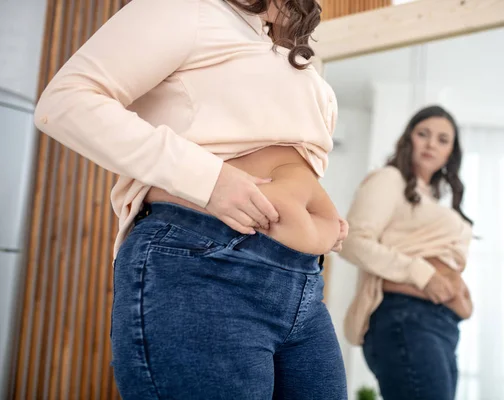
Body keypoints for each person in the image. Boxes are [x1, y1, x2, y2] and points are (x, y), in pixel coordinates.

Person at [33, 0, 349, 398]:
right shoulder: (188, 8)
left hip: (301, 282)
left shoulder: (285, 52)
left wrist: (318, 217)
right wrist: (208, 180)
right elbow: (65, 101)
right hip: (204, 263)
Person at [340, 105, 474, 400]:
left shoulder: (431, 197)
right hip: (405, 318)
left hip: (440, 324)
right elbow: (351, 241)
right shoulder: (390, 179)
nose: (431, 144)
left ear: (451, 152)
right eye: (422, 134)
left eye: (442, 139)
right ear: (408, 139)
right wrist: (423, 275)